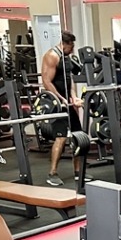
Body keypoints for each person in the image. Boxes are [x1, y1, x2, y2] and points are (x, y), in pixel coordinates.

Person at [40, 30, 85, 187]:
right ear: (65, 44)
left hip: (66, 102)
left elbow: (69, 80)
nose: (73, 49)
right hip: (56, 103)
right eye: (71, 46)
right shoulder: (52, 56)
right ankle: (52, 173)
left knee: (78, 135)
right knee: (61, 137)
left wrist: (73, 97)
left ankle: (78, 171)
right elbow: (46, 81)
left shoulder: (66, 57)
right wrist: (61, 99)